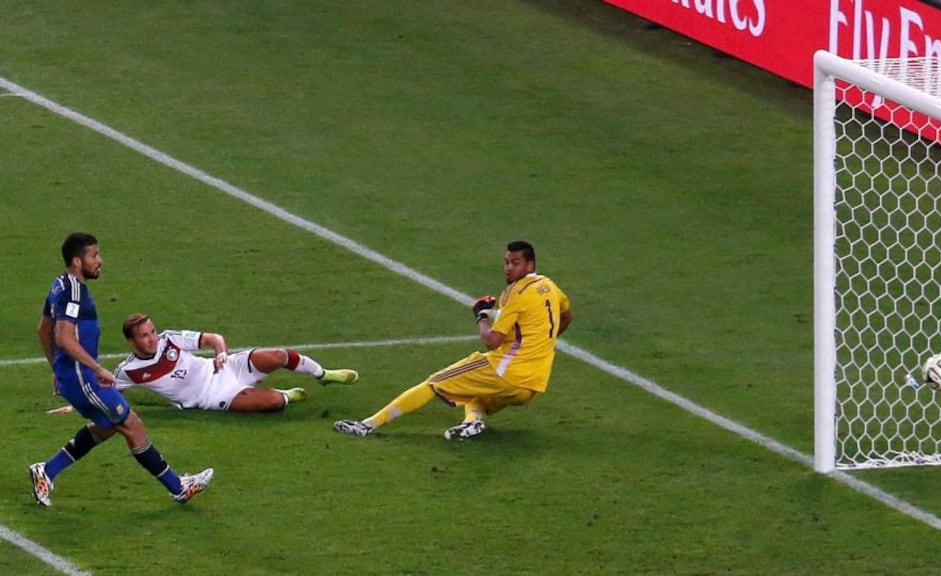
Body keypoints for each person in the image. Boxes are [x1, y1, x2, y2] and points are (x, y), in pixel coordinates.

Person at [30, 232, 214, 507]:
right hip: (85, 379)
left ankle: (47, 470)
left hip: (75, 376)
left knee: (107, 427)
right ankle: (178, 488)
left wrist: (56, 369)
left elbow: (43, 329)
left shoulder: (59, 285)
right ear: (78, 261)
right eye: (94, 255)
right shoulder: (74, 292)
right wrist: (98, 369)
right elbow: (63, 337)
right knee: (132, 425)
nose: (100, 261)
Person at [333, 240, 572, 440]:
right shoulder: (549, 286)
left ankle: (368, 425)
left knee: (434, 383)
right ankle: (473, 422)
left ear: (530, 264)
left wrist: (480, 316)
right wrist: (542, 342)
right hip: (534, 384)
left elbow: (491, 341)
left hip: (505, 372)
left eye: (515, 263)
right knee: (475, 394)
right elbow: (565, 315)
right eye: (507, 262)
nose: (509, 268)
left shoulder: (516, 293)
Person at [112, 314, 359, 412]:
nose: (153, 338)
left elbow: (213, 338)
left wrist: (220, 353)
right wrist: (79, 407)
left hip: (223, 367)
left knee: (278, 355)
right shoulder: (128, 371)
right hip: (210, 396)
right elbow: (104, 391)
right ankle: (285, 394)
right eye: (145, 335)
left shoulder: (170, 340)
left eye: (152, 331)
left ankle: (323, 374)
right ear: (131, 341)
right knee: (273, 403)